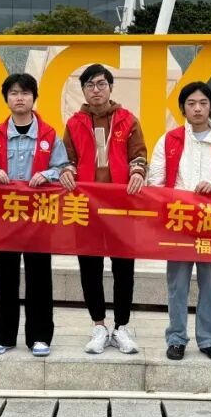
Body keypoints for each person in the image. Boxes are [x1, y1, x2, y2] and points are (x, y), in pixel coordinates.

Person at [147, 81, 211, 361]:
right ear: (183, 108)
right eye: (191, 103)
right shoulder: (169, 140)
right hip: (179, 224)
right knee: (177, 284)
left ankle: (209, 339)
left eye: (203, 103)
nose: (198, 108)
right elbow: (156, 180)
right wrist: (179, 199)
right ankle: (176, 338)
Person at [60, 63, 147, 355]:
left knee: (124, 268)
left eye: (101, 84)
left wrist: (137, 172)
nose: (96, 90)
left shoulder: (127, 120)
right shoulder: (74, 123)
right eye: (89, 85)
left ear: (110, 88)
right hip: (87, 207)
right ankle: (98, 325)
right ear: (83, 91)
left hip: (122, 207)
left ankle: (121, 327)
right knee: (90, 267)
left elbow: (139, 155)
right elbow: (67, 158)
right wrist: (67, 171)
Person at [0, 73, 69, 357]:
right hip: (5, 216)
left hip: (39, 216)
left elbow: (63, 168)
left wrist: (48, 174)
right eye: (14, 93)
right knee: (4, 275)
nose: (20, 98)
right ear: (6, 98)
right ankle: (2, 336)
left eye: (25, 93)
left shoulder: (49, 135)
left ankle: (40, 337)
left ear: (34, 98)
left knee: (39, 276)